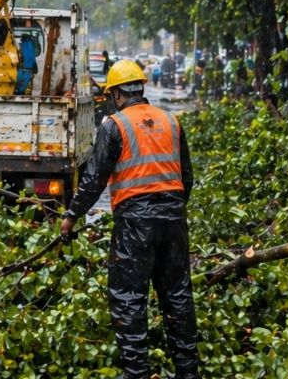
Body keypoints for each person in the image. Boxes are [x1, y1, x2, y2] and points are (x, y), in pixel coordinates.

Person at [60, 61, 199, 379]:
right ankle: (188, 372)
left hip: (135, 224)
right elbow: (186, 177)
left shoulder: (115, 125)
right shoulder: (171, 121)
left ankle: (136, 372)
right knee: (177, 295)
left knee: (128, 298)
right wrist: (172, 210)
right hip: (173, 219)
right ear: (141, 87)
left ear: (116, 94)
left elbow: (94, 179)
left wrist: (71, 215)